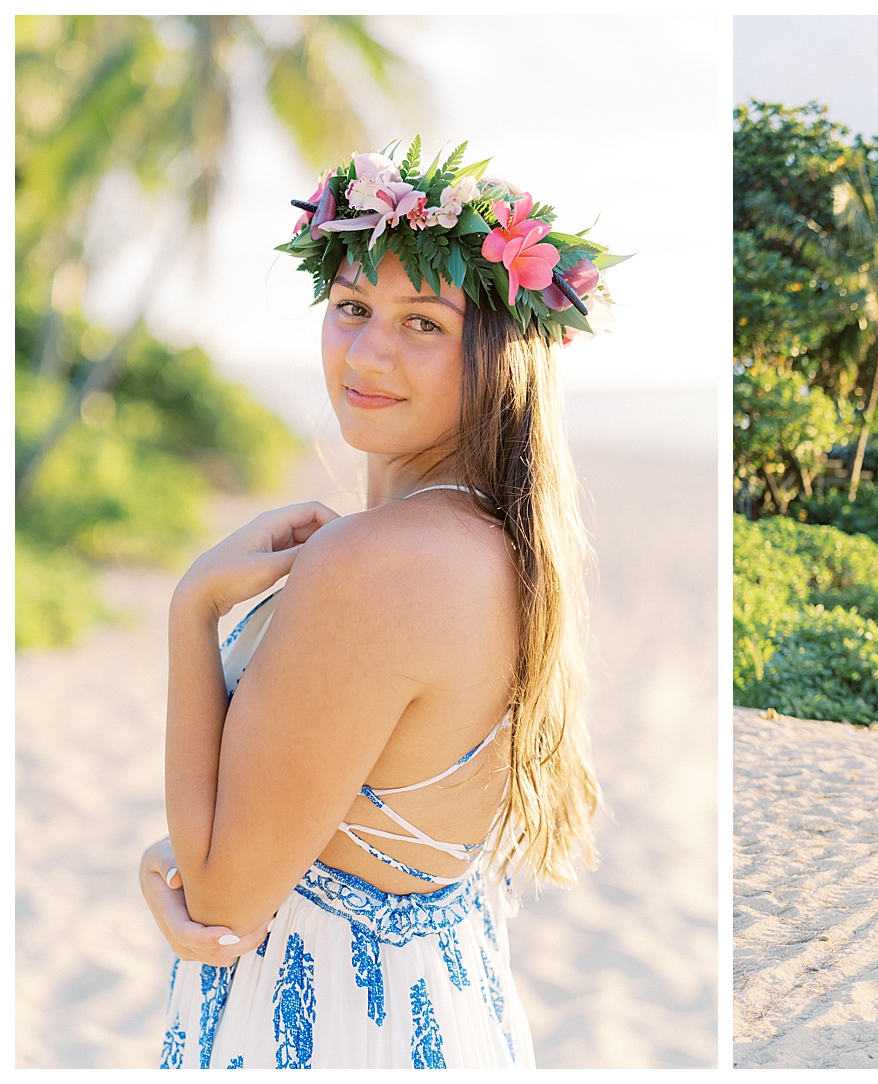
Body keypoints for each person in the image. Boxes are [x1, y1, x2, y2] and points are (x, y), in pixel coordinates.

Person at [136, 140, 618, 1068]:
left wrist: (192, 609)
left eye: (423, 323)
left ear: (502, 356)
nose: (367, 351)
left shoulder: (378, 563)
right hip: (436, 998)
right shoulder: (498, 546)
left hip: (330, 1022)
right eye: (352, 307)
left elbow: (226, 902)